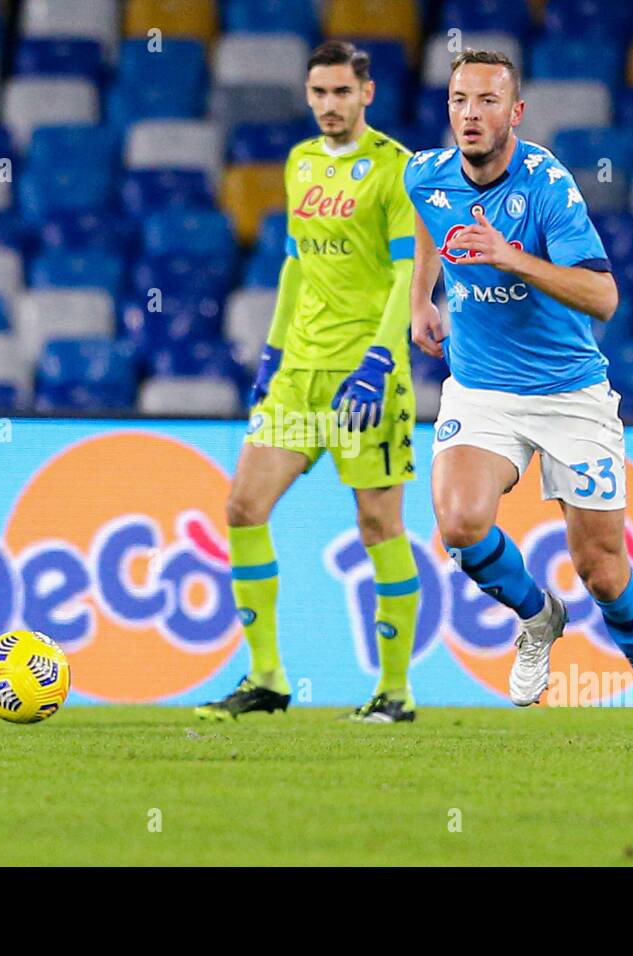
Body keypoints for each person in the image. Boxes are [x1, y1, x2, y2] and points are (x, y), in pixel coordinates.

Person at [404, 49, 633, 753]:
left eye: (489, 102)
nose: (472, 114)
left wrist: (511, 257)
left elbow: (604, 297)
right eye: (461, 100)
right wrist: (420, 300)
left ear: (516, 113)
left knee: (603, 571)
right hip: (481, 389)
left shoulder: (548, 188)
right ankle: (537, 618)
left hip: (570, 395)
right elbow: (427, 222)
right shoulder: (425, 174)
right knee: (461, 522)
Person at [195, 41, 421, 723]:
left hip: (366, 377)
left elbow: (409, 273)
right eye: (318, 93)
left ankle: (395, 691)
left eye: (341, 93)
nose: (328, 105)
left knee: (379, 524)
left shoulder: (396, 170)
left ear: (367, 94)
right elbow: (296, 266)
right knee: (242, 507)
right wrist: (271, 355)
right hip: (300, 376)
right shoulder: (298, 164)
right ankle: (267, 678)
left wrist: (381, 362)